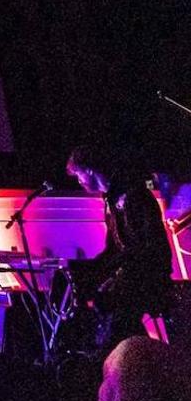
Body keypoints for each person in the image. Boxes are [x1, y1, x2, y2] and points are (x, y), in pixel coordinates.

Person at [66, 145, 172, 354]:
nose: (79, 182)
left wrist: (112, 274)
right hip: (133, 271)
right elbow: (114, 249)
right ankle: (123, 354)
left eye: (78, 175)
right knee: (88, 291)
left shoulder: (133, 195)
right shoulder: (112, 200)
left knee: (110, 305)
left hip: (149, 275)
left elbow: (146, 249)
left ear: (89, 170)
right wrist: (82, 268)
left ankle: (128, 357)